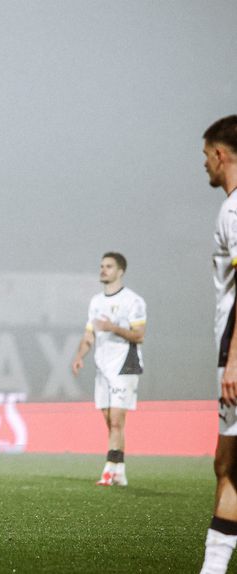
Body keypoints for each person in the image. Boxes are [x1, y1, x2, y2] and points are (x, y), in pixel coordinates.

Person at [71, 252, 146, 486]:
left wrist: (111, 327)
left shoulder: (133, 301)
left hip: (125, 364)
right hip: (102, 367)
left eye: (109, 266)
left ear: (120, 271)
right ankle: (120, 471)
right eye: (102, 266)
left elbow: (139, 335)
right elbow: (89, 334)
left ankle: (109, 471)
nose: (103, 270)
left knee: (116, 420)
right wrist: (79, 355)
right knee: (108, 419)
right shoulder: (96, 302)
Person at [201, 115, 237, 574]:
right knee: (226, 464)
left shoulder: (234, 210)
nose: (204, 166)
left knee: (227, 465)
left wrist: (233, 361)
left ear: (220, 154)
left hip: (235, 355)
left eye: (205, 156)